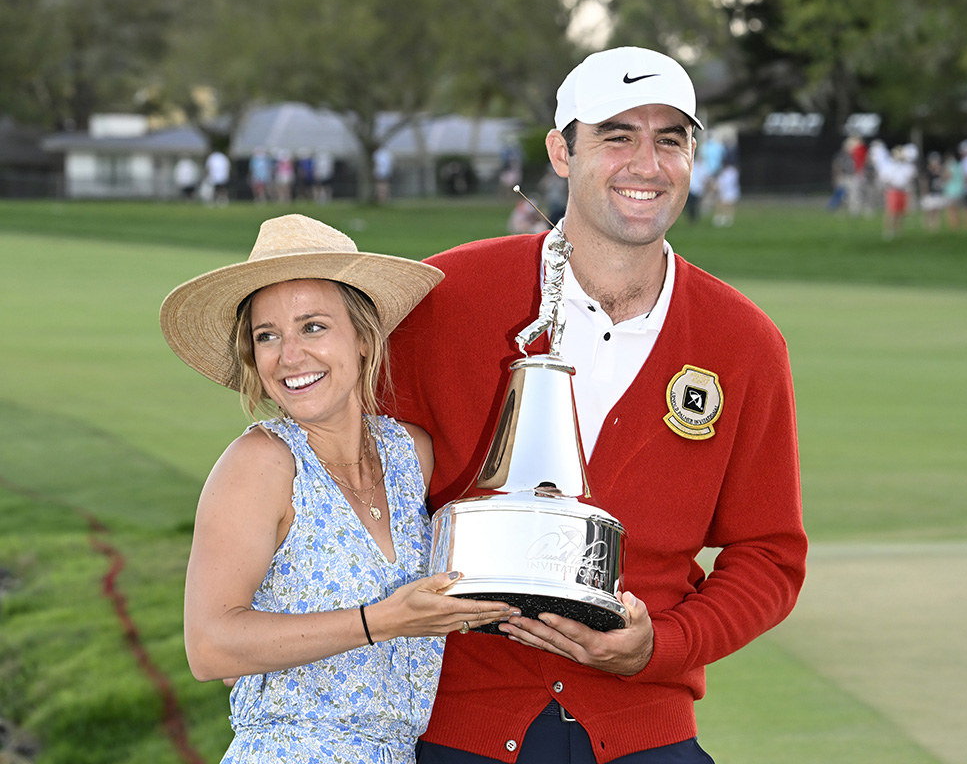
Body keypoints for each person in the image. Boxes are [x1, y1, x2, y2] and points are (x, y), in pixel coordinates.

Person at [388, 46, 807, 764]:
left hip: (645, 729)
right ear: (560, 151)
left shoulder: (745, 342)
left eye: (669, 139)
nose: (646, 163)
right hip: (456, 726)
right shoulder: (444, 296)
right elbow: (355, 480)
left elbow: (770, 554)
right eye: (617, 135)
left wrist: (661, 646)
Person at [159, 214, 515, 764]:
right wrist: (382, 622)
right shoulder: (262, 464)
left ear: (363, 336)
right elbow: (210, 649)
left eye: (313, 326)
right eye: (267, 336)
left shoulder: (409, 454)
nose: (290, 356)